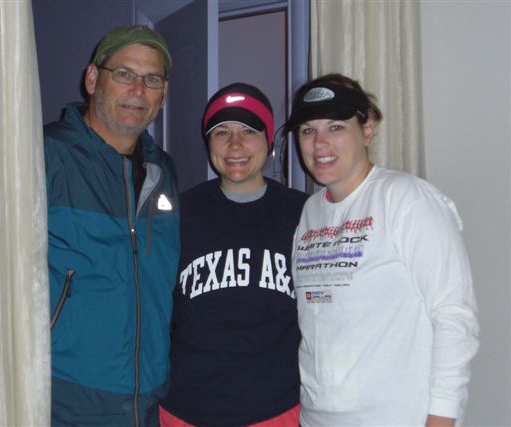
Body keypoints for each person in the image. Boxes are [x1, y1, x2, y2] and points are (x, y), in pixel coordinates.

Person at [284, 73, 479, 427]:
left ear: (367, 129)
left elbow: (454, 317)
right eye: (308, 130)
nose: (319, 143)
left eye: (336, 127)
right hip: (317, 419)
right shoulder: (310, 211)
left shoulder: (407, 199)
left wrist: (442, 419)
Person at [44, 25, 180, 426]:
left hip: (148, 400)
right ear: (92, 79)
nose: (137, 90)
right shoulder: (44, 156)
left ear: (163, 94)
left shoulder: (164, 170)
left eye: (151, 79)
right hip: (65, 401)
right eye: (124, 74)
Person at [160, 83, 308, 426]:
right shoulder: (177, 214)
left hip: (278, 411)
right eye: (221, 132)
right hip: (186, 410)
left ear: (269, 141)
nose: (235, 144)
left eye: (249, 131)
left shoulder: (305, 214)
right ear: (208, 143)